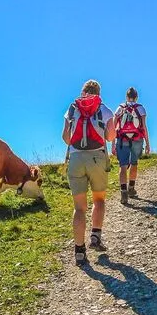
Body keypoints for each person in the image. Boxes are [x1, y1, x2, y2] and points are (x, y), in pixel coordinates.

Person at [62, 80, 116, 266]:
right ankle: (95, 236)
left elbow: (66, 138)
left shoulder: (72, 109)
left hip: (76, 159)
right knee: (99, 200)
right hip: (97, 158)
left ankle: (79, 252)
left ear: (82, 92)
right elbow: (110, 137)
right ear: (98, 93)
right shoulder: (105, 110)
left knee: (79, 208)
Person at [112, 87, 150, 204]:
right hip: (137, 139)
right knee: (134, 163)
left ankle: (124, 193)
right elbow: (144, 127)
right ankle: (131, 189)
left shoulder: (120, 108)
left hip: (122, 139)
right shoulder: (141, 109)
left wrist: (113, 144)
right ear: (136, 97)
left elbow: (114, 127)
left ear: (126, 97)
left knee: (122, 166)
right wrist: (148, 143)